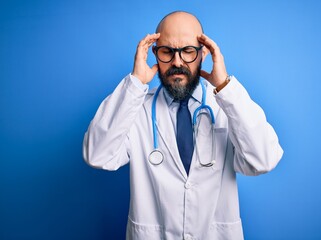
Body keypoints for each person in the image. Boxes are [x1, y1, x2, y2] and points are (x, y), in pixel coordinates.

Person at [83, 11, 283, 240]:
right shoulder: (134, 109)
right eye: (167, 51)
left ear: (204, 52)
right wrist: (135, 83)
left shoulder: (228, 107)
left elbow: (263, 160)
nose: (177, 62)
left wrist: (226, 88)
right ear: (154, 53)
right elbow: (96, 155)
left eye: (188, 51)